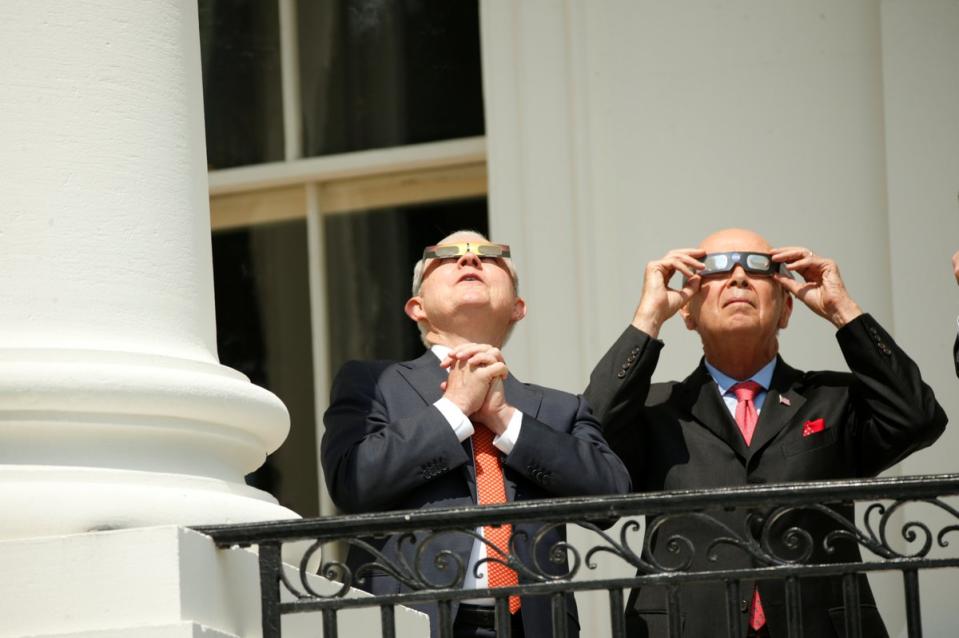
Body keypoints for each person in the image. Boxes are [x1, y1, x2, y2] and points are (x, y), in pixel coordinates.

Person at [585, 228, 946, 638]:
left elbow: (918, 417)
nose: (738, 277)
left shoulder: (831, 399)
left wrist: (843, 311)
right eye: (716, 269)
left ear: (787, 310)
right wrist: (647, 318)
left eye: (758, 268)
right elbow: (589, 436)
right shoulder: (655, 408)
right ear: (686, 312)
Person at [322, 230, 631, 638]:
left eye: (490, 256)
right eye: (447, 256)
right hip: (411, 621)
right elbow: (352, 482)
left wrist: (505, 420)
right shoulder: (373, 383)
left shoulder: (560, 409)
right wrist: (453, 409)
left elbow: (612, 499)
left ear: (518, 308)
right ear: (417, 308)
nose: (469, 260)